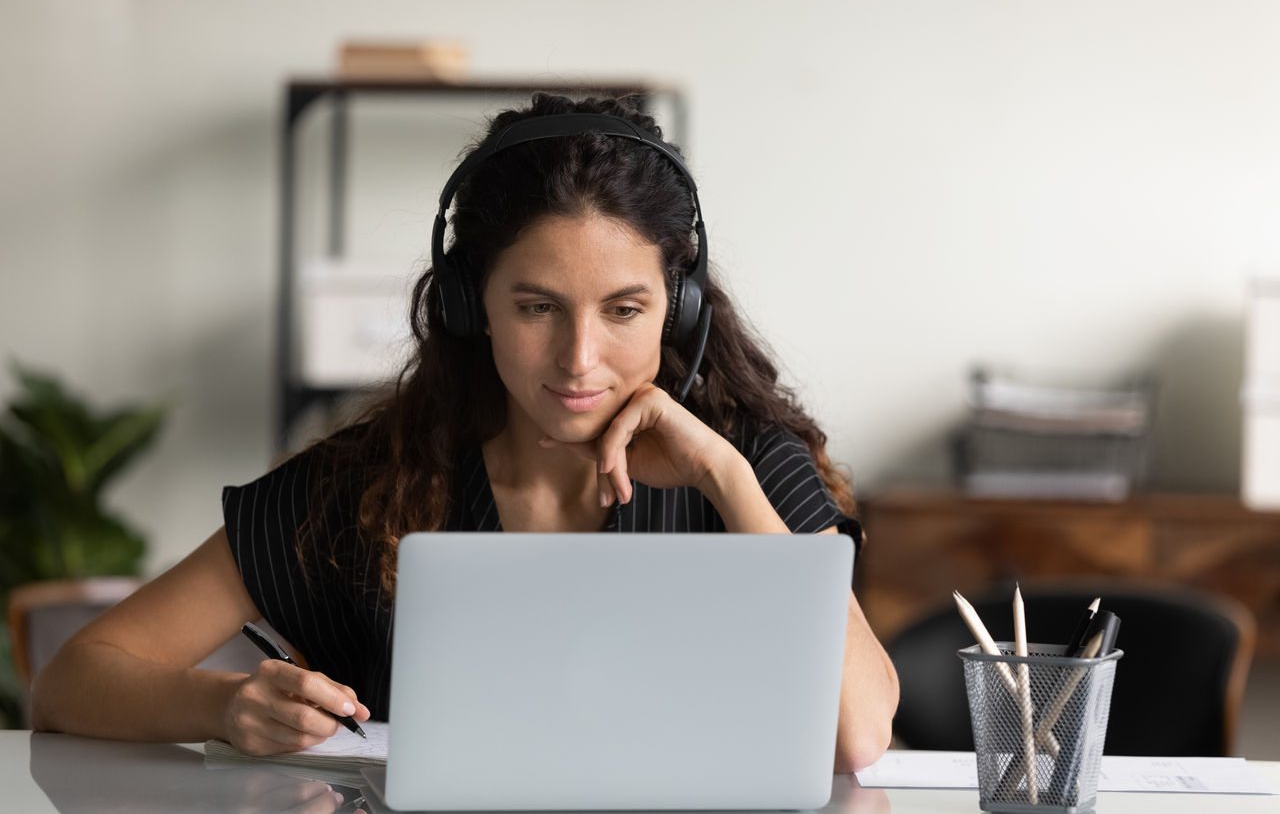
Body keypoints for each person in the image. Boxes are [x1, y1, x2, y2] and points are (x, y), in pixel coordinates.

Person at [31, 93, 899, 773]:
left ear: (680, 308)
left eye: (625, 309)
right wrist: (219, 706)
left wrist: (722, 474)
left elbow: (858, 735)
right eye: (536, 308)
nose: (580, 358)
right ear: (467, 304)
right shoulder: (370, 482)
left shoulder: (743, 461)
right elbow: (72, 679)